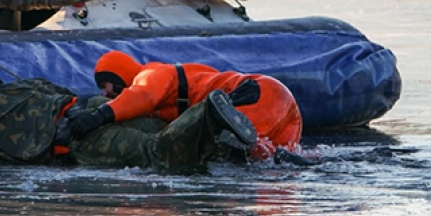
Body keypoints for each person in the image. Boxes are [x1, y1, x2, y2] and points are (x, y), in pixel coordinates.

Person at [0, 65, 258, 173]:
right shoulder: (28, 84)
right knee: (171, 132)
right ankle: (242, 149)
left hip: (80, 138)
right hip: (94, 108)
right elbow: (60, 91)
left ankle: (209, 113)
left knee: (156, 152)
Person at [68, 51, 303, 161]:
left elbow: (141, 96)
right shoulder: (180, 84)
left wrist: (98, 115)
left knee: (243, 149)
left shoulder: (153, 74)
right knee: (274, 160)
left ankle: (255, 147)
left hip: (253, 93)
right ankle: (302, 159)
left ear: (122, 74)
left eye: (107, 84)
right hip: (285, 109)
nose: (105, 93)